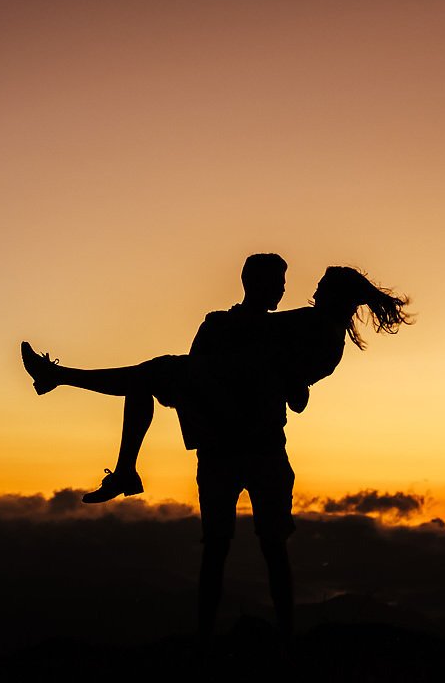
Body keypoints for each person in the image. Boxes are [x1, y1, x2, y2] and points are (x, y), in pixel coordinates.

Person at [21, 264, 413, 638]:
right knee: (247, 548)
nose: (309, 292)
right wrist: (244, 335)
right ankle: (109, 448)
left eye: (321, 288)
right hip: (230, 421)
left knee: (246, 549)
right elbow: (273, 347)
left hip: (240, 426)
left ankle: (70, 392)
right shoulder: (306, 325)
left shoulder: (322, 335)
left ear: (337, 298)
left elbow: (297, 393)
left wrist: (261, 351)